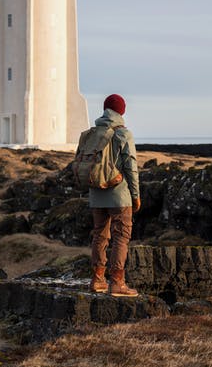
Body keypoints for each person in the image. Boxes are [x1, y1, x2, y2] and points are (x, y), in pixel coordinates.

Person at [88, 94, 141, 297]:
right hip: (119, 195)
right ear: (122, 111)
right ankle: (117, 282)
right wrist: (135, 195)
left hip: (96, 194)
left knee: (100, 234)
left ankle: (97, 279)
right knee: (121, 236)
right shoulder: (122, 134)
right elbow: (131, 168)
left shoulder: (93, 133)